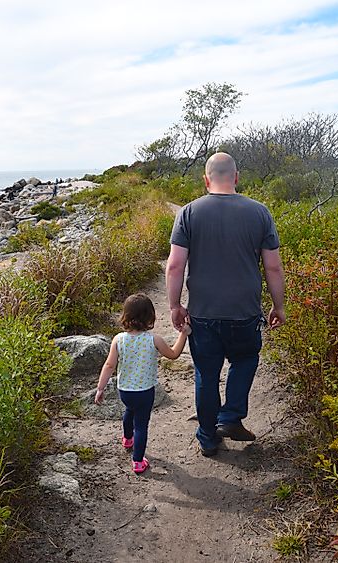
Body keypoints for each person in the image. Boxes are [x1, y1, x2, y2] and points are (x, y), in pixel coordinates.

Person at [166, 152, 286, 457]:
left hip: (204, 313)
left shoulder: (189, 213)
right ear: (236, 177)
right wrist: (278, 305)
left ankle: (208, 437)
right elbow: (273, 267)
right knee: (245, 360)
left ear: (206, 179)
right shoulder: (260, 212)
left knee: (206, 373)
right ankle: (230, 417)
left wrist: (175, 306)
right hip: (244, 312)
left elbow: (175, 266)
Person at [94, 293, 191, 474]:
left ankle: (127, 439)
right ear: (150, 317)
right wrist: (183, 334)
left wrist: (100, 388)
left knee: (129, 411)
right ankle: (138, 461)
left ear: (125, 316)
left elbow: (109, 365)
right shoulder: (154, 340)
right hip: (145, 392)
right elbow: (173, 354)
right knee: (141, 425)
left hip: (125, 391)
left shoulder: (118, 339)